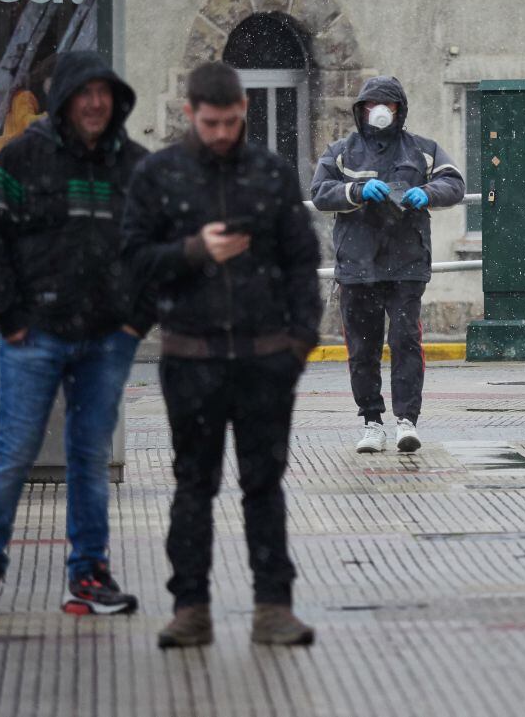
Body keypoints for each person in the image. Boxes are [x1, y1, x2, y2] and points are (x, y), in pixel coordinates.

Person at [122, 61, 322, 648]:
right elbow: (132, 259)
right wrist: (192, 250)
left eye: (232, 121)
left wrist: (299, 344)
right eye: (211, 123)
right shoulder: (160, 175)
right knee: (193, 485)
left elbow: (301, 261)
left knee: (265, 483)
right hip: (191, 357)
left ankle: (273, 607)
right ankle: (190, 608)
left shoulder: (271, 174)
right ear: (190, 113)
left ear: (243, 111)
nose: (222, 133)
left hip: (265, 359)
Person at [0, 51, 151, 616]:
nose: (95, 103)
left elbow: (158, 252)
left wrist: (136, 322)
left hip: (106, 341)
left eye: (104, 93)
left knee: (89, 458)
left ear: (116, 101)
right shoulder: (20, 158)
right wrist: (11, 318)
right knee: (14, 454)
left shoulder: (136, 167)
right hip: (34, 335)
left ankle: (89, 575)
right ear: (65, 98)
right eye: (83, 92)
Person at [311, 76, 464, 454]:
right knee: (362, 350)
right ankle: (371, 422)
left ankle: (406, 421)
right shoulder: (341, 152)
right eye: (372, 105)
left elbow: (454, 183)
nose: (380, 112)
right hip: (357, 267)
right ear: (361, 109)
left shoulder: (421, 151)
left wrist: (425, 192)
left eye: (388, 105)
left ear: (400, 110)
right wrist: (356, 191)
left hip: (406, 266)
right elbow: (319, 192)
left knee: (404, 341)